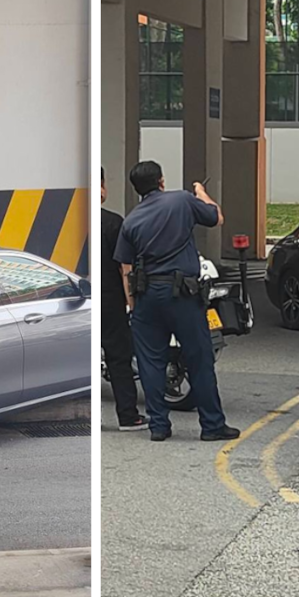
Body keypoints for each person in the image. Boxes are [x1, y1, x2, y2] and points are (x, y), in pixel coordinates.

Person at [114, 161, 240, 443]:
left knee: (150, 363)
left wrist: (134, 307)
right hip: (183, 295)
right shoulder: (183, 200)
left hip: (147, 298)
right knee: (199, 359)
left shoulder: (131, 220)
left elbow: (126, 270)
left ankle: (158, 426)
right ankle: (212, 426)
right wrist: (201, 193)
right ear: (161, 181)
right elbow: (216, 218)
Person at [101, 167, 150, 431]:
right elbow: (125, 269)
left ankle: (90, 417)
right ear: (101, 187)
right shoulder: (112, 222)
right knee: (118, 358)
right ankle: (128, 416)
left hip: (76, 300)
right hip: (108, 300)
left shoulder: (64, 222)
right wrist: (132, 304)